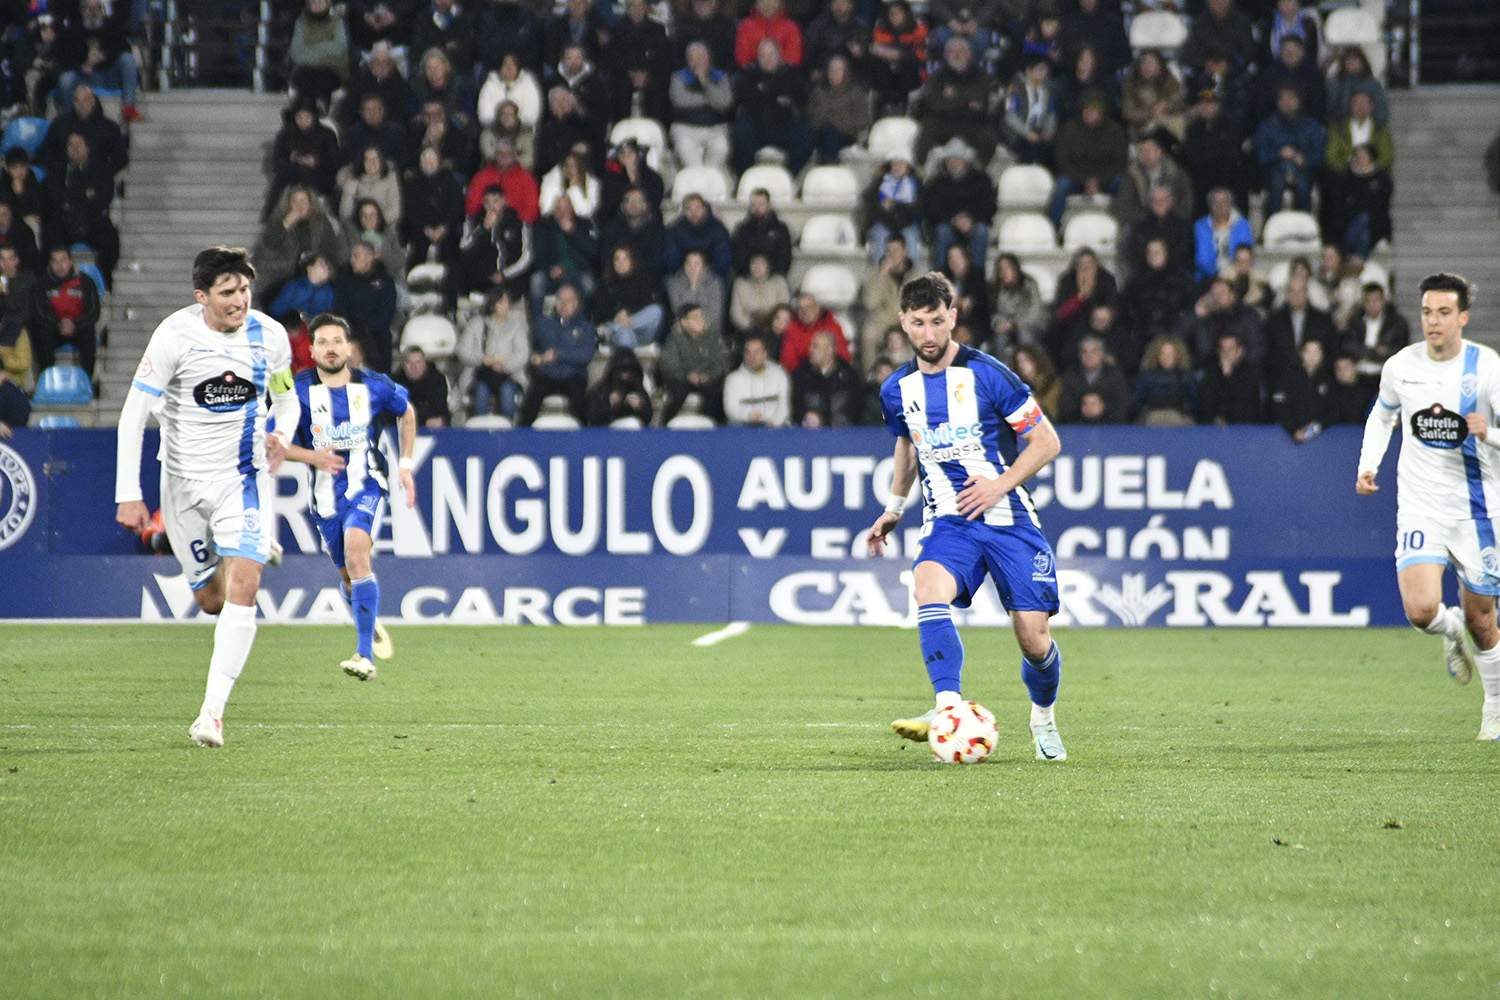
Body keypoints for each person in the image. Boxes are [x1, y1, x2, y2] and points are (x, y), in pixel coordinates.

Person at [866, 271, 1068, 761]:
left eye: (938, 321)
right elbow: (907, 447)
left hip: (1008, 519)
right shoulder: (897, 390)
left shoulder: (988, 374)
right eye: (918, 324)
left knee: (1033, 640)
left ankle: (1043, 716)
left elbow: (1047, 442)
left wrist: (999, 484)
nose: (930, 335)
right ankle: (948, 706)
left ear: (953, 317)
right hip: (949, 521)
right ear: (903, 324)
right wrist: (894, 508)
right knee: (927, 585)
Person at [114, 247, 302, 748]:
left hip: (241, 478)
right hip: (179, 484)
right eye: (227, 293)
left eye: (244, 290)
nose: (239, 300)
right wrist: (128, 494)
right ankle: (242, 549)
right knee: (211, 599)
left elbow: (286, 399)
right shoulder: (175, 337)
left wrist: (282, 435)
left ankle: (211, 715)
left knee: (245, 585)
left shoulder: (271, 337)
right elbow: (134, 413)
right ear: (202, 296)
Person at [1356, 273, 1500, 739]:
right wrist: (1368, 464)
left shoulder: (1488, 368)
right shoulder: (1401, 365)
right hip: (1420, 505)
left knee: (1484, 619)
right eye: (1426, 312)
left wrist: (1488, 433)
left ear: (1462, 317)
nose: (1432, 321)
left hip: (1476, 509)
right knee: (1420, 610)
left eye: (1442, 313)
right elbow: (1383, 414)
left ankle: (1495, 708)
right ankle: (1447, 627)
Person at [284, 314, 415, 680]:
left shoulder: (374, 386)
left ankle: (363, 655)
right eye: (323, 342)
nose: (331, 348)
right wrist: (313, 457)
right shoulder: (296, 391)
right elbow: (274, 442)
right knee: (349, 576)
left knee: (358, 551)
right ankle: (366, 616)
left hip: (367, 483)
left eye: (337, 341)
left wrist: (405, 464)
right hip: (324, 499)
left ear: (349, 347)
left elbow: (407, 413)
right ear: (311, 350)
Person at [517, 282, 595, 425]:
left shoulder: (585, 327)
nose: (564, 304)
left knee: (581, 403)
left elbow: (585, 355)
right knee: (531, 401)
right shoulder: (543, 323)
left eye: (569, 300)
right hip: (547, 375)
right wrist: (535, 358)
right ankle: (521, 440)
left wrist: (558, 354)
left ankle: (585, 442)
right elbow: (532, 348)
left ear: (576, 303)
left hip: (573, 375)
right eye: (561, 300)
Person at [1047, 91, 1127, 226]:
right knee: (1061, 186)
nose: (1089, 113)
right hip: (1076, 178)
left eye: (1094, 110)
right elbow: (1062, 161)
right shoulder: (1069, 129)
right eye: (1087, 110)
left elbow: (1119, 162)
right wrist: (1084, 180)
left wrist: (1099, 181)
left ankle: (1123, 226)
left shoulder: (1115, 131)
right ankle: (1053, 228)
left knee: (1124, 184)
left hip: (1106, 178)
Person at [31, 244, 101, 377]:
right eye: (55, 261)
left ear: (70, 261)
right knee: (41, 332)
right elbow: (40, 312)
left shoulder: (85, 282)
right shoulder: (41, 284)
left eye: (63, 260)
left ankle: (86, 380)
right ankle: (47, 379)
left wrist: (74, 324)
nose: (60, 265)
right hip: (54, 328)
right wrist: (59, 323)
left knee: (89, 332)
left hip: (78, 327)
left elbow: (93, 312)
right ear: (50, 264)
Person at [457, 288, 529, 418]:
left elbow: (522, 353)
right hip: (480, 374)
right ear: (493, 304)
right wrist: (483, 360)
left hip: (509, 375)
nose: (505, 306)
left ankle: (508, 431)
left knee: (507, 396)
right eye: (501, 302)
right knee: (481, 395)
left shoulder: (516, 326)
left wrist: (504, 366)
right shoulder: (476, 324)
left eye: (507, 302)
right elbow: (463, 351)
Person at [1254, 86, 1324, 214]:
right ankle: (1272, 229)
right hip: (1274, 169)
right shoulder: (1267, 125)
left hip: (1303, 170)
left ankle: (1304, 229)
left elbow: (1319, 155)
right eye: (1283, 99)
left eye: (1291, 98)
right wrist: (1278, 154)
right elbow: (1261, 155)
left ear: (1299, 101)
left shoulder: (1311, 125)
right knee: (1276, 186)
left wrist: (1304, 159)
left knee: (1303, 187)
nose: (1287, 103)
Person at [669, 42, 735, 169]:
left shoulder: (720, 76)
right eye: (693, 58)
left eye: (701, 57)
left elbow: (725, 102)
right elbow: (681, 101)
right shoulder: (679, 77)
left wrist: (705, 82)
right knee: (686, 152)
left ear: (709, 58)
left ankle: (710, 180)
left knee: (722, 148)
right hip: (686, 127)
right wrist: (712, 98)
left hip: (715, 127)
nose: (698, 61)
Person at [659, 303, 729, 423]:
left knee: (715, 394)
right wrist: (687, 375)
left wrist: (709, 375)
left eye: (701, 316)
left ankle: (714, 426)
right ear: (684, 322)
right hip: (682, 378)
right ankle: (666, 426)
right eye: (695, 317)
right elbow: (669, 363)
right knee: (677, 394)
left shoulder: (712, 335)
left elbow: (721, 360)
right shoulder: (675, 337)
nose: (701, 320)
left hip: (707, 378)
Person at [1341, 282, 1411, 384]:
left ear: (1383, 301)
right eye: (1368, 301)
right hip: (1359, 376)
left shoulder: (1396, 323)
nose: (1372, 305)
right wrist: (1375, 352)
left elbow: (1399, 351)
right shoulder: (1355, 322)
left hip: (1385, 377)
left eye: (1376, 300)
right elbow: (1349, 346)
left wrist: (1366, 352)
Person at [1000, 55, 1060, 166]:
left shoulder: (1048, 90)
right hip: (1018, 134)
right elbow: (1010, 116)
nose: (1044, 73)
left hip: (1039, 133)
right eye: (1040, 69)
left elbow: (1051, 114)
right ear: (1029, 71)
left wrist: (1049, 131)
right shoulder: (1015, 88)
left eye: (1045, 70)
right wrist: (1027, 133)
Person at [723, 331, 791, 426]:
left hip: (775, 428)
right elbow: (731, 410)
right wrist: (748, 416)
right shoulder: (733, 379)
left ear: (765, 354)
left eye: (756, 352)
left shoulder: (779, 374)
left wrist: (774, 422)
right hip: (744, 428)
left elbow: (784, 405)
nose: (752, 357)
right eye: (748, 353)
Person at [1198, 331, 1262, 424]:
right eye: (1223, 349)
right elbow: (1207, 404)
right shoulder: (1212, 372)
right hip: (1215, 428)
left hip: (1243, 429)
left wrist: (1228, 378)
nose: (1226, 353)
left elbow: (1246, 408)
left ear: (1239, 351)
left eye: (1230, 349)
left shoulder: (1250, 374)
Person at [1193, 187, 1253, 284]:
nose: (1220, 205)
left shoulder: (1242, 225)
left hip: (1236, 275)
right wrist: (1218, 275)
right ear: (1210, 205)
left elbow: (1244, 253)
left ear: (1230, 204)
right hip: (1208, 277)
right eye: (1216, 202)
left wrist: (1230, 273)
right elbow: (1201, 259)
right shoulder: (1200, 226)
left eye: (1224, 201)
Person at [730, 189, 792, 278]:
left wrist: (768, 273)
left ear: (769, 205)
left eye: (761, 204)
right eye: (753, 205)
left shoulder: (781, 229)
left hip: (773, 279)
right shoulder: (742, 229)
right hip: (748, 280)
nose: (757, 208)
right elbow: (738, 259)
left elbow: (784, 259)